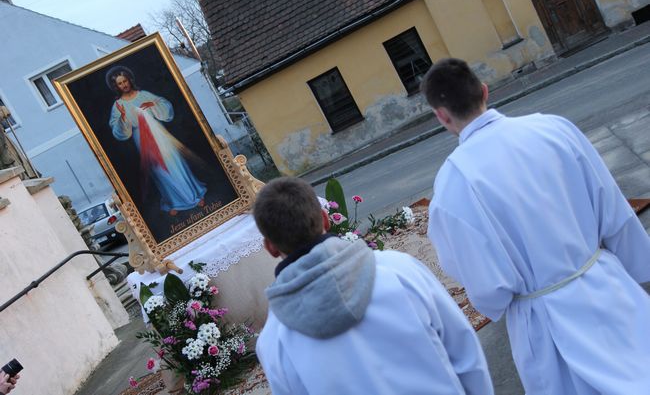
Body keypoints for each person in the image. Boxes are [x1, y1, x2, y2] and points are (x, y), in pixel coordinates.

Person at [423, 58, 650, 395]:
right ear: (485, 91)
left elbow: (486, 288)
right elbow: (612, 207)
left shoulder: (452, 184)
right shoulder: (553, 129)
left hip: (546, 321)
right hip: (607, 285)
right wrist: (637, 271)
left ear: (442, 116)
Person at [253, 177, 493, 395]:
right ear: (325, 220)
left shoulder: (274, 341)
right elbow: (463, 350)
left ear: (270, 247)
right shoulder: (398, 270)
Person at [107, 66, 207, 216]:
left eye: (125, 81)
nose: (124, 85)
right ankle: (173, 202)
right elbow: (117, 130)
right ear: (116, 86)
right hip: (141, 138)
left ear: (129, 80)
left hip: (158, 133)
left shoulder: (143, 95)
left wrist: (153, 105)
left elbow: (165, 107)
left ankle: (194, 195)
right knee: (158, 170)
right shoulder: (118, 105)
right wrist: (122, 117)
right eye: (120, 83)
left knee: (174, 163)